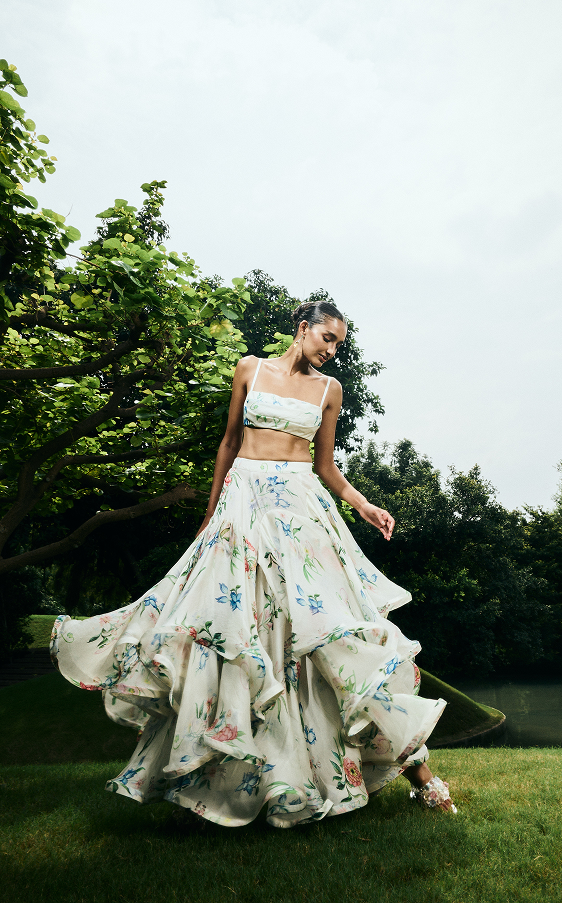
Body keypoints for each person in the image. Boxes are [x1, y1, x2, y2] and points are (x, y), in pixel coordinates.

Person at [51, 300, 456, 828]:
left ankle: (418, 775)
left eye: (339, 344)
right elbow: (229, 443)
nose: (332, 351)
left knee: (330, 633)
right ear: (302, 328)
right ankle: (240, 778)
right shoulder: (250, 369)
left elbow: (327, 467)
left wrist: (363, 505)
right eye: (327, 338)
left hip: (300, 512)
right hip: (242, 506)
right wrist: (211, 511)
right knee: (232, 631)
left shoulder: (329, 391)